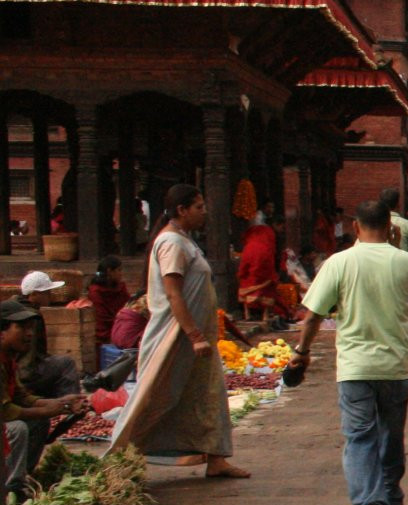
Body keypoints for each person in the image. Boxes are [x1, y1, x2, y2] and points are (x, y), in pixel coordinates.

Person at [290, 200, 408, 505]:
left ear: (355, 227)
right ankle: (391, 495)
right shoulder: (407, 261)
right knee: (391, 434)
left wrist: (302, 353)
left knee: (359, 439)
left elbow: (312, 315)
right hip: (395, 367)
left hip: (355, 368)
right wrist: (397, 248)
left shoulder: (338, 263)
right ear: (391, 225)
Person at [109, 184, 249, 478]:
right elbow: (174, 295)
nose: (204, 212)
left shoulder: (185, 241)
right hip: (176, 337)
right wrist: (194, 336)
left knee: (207, 394)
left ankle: (216, 457)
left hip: (197, 337)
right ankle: (120, 456)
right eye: (199, 207)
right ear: (181, 210)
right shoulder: (171, 243)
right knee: (157, 395)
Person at [0, 299, 88, 496]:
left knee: (39, 422)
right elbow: (7, 412)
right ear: (2, 331)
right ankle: (11, 488)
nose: (29, 334)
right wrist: (52, 408)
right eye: (21, 328)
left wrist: (62, 403)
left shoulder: (8, 359)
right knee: (17, 429)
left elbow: (21, 397)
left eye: (30, 328)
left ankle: (22, 474)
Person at [16, 271, 81, 402]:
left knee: (53, 362)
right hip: (20, 373)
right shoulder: (31, 316)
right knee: (66, 363)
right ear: (33, 295)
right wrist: (24, 384)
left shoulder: (13, 306)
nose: (50, 296)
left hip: (16, 369)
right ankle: (69, 406)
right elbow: (28, 357)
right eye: (46, 293)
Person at [235, 211, 292, 323]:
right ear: (276, 224)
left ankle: (247, 314)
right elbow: (275, 254)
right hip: (264, 253)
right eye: (282, 227)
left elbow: (245, 238)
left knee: (246, 278)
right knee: (267, 282)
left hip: (248, 251)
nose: (283, 230)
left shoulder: (258, 230)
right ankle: (265, 315)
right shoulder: (270, 233)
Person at [88, 256, 131, 365]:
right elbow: (102, 317)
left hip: (121, 325)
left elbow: (128, 306)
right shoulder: (96, 291)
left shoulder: (121, 288)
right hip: (105, 331)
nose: (121, 273)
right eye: (119, 270)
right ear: (109, 271)